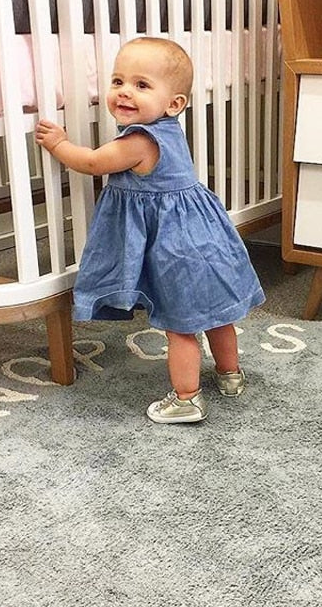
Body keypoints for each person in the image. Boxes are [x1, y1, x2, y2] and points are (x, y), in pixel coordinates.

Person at [35, 36, 265, 424]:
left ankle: (187, 399)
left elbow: (92, 163)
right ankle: (230, 375)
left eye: (142, 85)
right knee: (215, 315)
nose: (125, 92)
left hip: (175, 247)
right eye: (118, 81)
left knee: (180, 325)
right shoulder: (168, 130)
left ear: (174, 104)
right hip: (204, 238)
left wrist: (59, 144)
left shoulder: (139, 141)